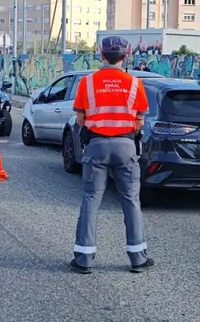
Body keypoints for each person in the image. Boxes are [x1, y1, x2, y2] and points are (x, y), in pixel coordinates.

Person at [69, 35, 154, 275]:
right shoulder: (135, 83)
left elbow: (80, 119)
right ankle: (138, 258)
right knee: (130, 200)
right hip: (125, 146)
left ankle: (84, 259)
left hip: (96, 146)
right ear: (125, 56)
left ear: (101, 55)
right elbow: (139, 121)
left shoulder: (87, 82)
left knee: (91, 199)